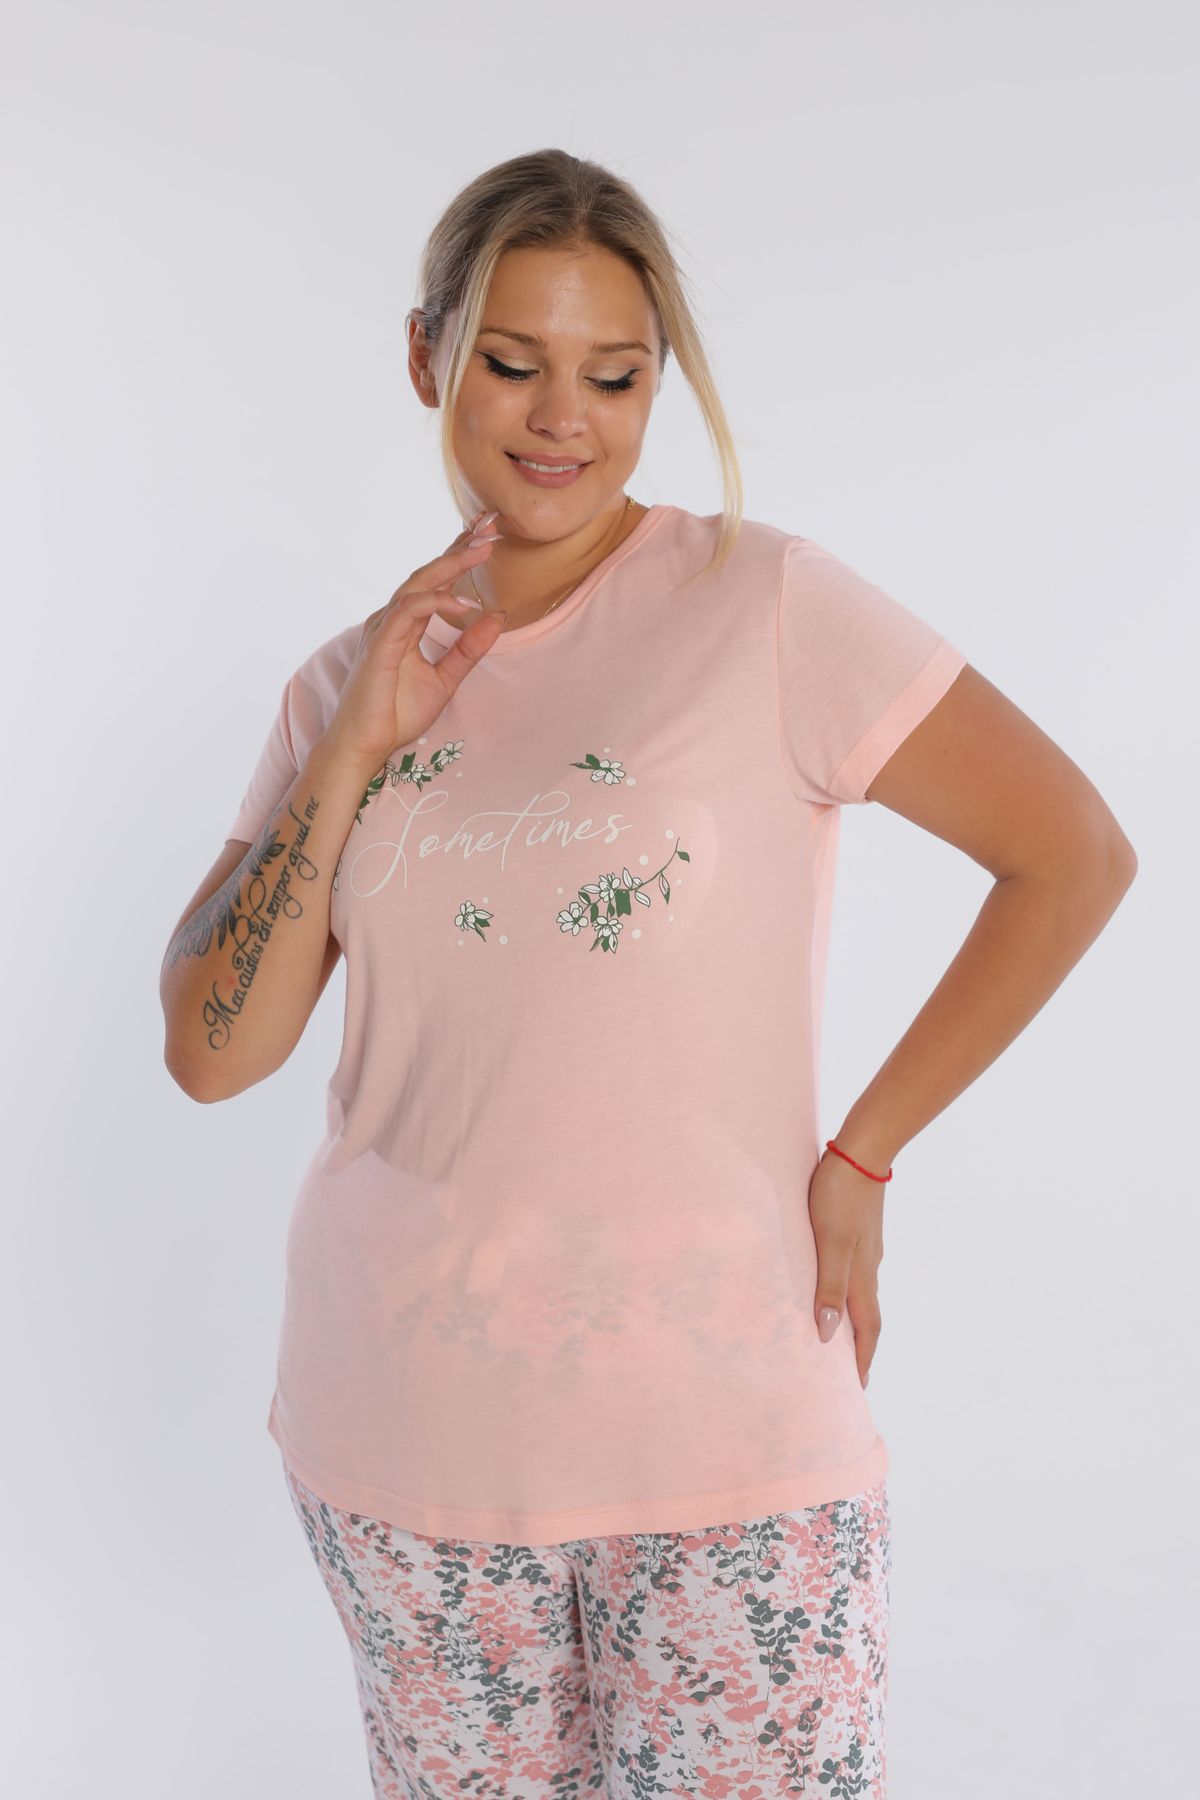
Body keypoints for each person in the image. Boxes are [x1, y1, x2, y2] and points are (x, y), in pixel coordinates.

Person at [159, 148, 1137, 1798]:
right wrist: (353, 750)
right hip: (410, 1433)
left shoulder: (765, 602)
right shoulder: (341, 683)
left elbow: (1073, 854)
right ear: (426, 358)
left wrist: (866, 1151)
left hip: (733, 1439)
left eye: (614, 376)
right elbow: (211, 1051)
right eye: (511, 362)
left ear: (658, 384)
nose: (564, 419)